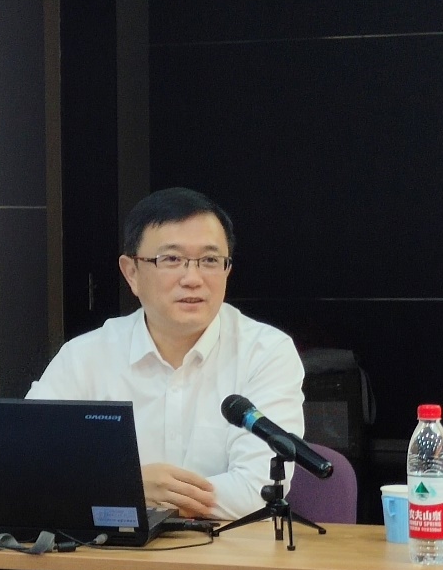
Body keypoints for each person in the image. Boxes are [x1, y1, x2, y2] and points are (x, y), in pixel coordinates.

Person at [28, 187, 304, 520]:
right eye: (171, 259)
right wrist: (130, 487)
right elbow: (30, 467)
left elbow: (257, 490)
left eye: (210, 260)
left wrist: (123, 493)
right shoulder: (85, 356)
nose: (193, 278)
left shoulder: (266, 353)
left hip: (229, 550)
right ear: (131, 272)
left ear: (227, 270)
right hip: (113, 551)